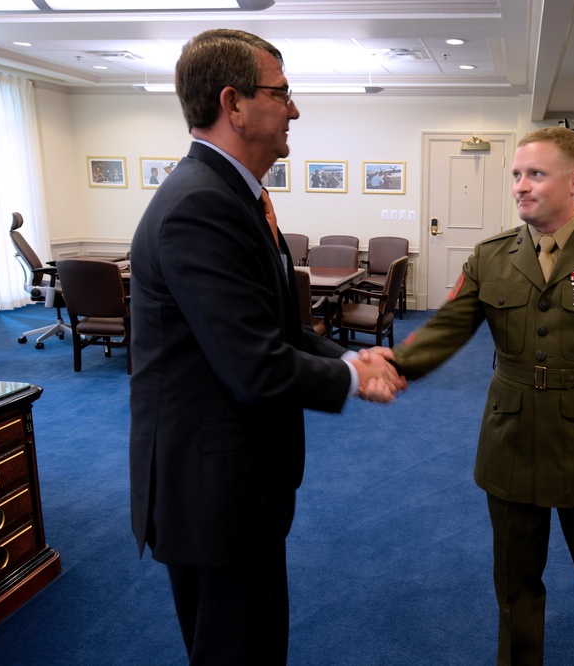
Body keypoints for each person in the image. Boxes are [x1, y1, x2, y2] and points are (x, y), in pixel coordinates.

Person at [128, 29, 404, 665]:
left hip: (237, 484)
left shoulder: (236, 198)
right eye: (283, 93)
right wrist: (352, 379)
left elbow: (273, 327)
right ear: (234, 103)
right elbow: (252, 364)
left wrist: (345, 357)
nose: (296, 109)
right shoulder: (201, 206)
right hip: (212, 494)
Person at [379, 126, 574, 665]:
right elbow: (446, 329)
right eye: (516, 174)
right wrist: (387, 366)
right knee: (514, 584)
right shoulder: (489, 257)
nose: (520, 185)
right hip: (509, 438)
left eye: (535, 174)